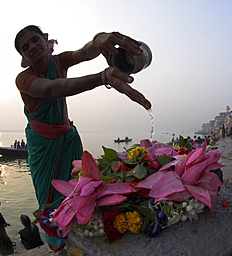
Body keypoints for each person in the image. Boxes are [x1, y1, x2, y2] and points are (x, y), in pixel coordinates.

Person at [14, 25, 151, 251]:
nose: (32, 47)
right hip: (42, 146)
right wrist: (101, 77)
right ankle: (58, 245)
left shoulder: (58, 61)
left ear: (45, 40)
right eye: (25, 47)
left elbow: (86, 51)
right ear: (23, 57)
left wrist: (99, 40)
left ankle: (79, 236)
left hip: (68, 138)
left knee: (78, 189)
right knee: (49, 198)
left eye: (34, 40)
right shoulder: (24, 78)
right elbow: (51, 88)